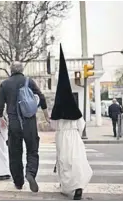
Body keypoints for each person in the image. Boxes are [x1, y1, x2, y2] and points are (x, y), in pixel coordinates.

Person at [0, 61, 50, 192]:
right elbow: (41, 97)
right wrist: (46, 115)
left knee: (14, 152)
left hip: (14, 123)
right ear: (22, 69)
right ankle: (30, 173)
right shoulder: (28, 81)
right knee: (32, 149)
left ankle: (18, 182)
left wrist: (1, 117)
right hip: (29, 122)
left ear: (11, 70)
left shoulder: (5, 84)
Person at [51, 44, 93, 200]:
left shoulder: (57, 110)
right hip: (74, 137)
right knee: (77, 161)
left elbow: (53, 125)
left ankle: (67, 187)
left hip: (62, 136)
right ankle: (78, 186)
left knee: (64, 161)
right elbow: (81, 125)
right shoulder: (75, 111)